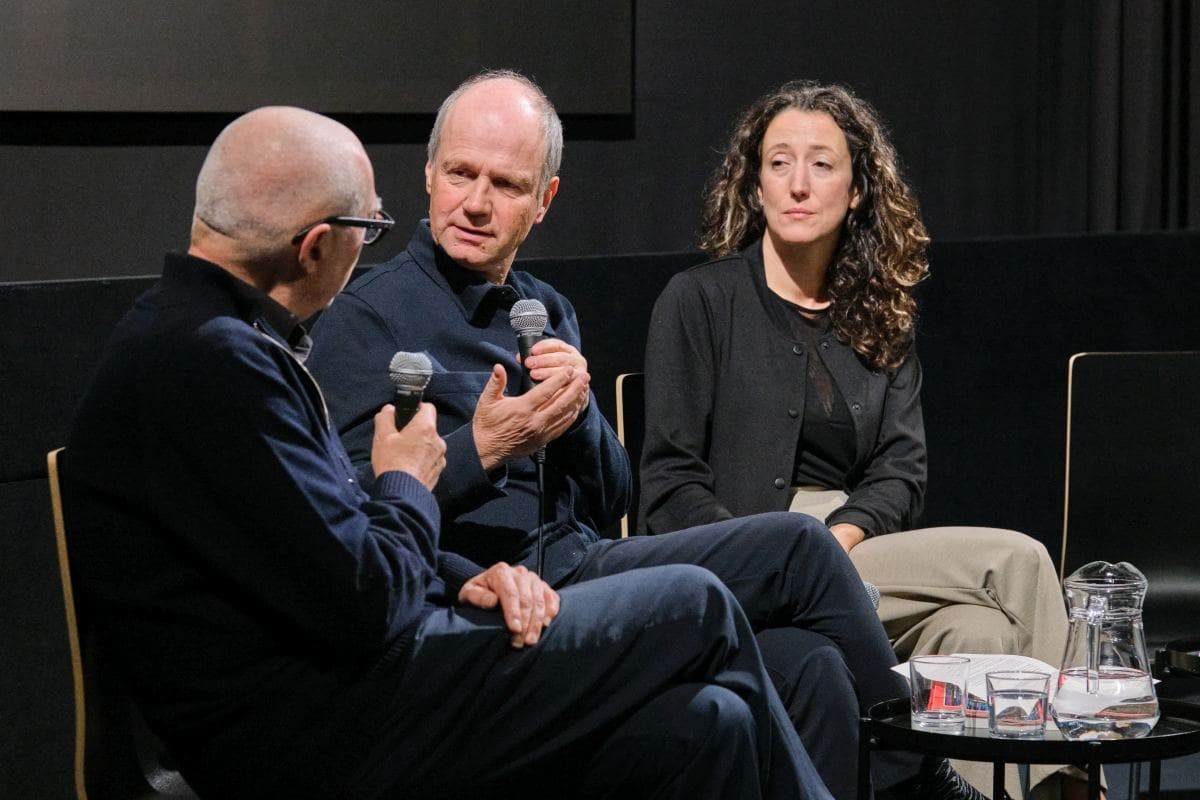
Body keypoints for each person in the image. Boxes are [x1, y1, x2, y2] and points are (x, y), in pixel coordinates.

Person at [61, 105, 835, 799]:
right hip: (316, 725)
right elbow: (367, 597)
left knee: (711, 720)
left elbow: (325, 545)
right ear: (318, 247)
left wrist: (467, 578)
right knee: (695, 603)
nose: (474, 202)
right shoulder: (216, 364)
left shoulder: (199, 339)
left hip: (354, 678)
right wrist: (410, 478)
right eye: (368, 229)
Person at [307, 69, 986, 800]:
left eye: (505, 185)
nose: (476, 202)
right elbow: (350, 520)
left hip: (584, 564)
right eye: (460, 175)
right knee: (797, 547)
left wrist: (578, 419)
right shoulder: (367, 317)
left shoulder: (545, 309)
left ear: (544, 200)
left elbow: (611, 499)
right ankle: (929, 777)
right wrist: (487, 448)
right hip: (486, 594)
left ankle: (908, 775)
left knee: (811, 662)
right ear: (428, 174)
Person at [637, 80, 1088, 800]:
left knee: (979, 631)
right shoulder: (699, 301)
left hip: (852, 546)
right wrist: (766, 554)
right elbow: (669, 482)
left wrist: (842, 535)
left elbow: (901, 469)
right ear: (755, 185)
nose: (798, 184)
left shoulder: (878, 313)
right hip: (749, 551)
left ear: (855, 192)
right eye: (778, 163)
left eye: (821, 164)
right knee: (1020, 562)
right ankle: (1074, 785)